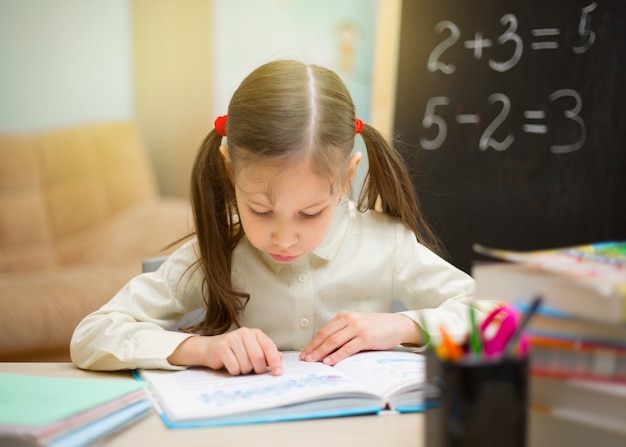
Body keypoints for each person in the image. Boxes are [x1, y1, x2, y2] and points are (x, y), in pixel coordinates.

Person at [70, 60, 494, 376]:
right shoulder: (217, 253)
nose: (284, 237)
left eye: (309, 213)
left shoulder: (385, 244)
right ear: (229, 169)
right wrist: (202, 350)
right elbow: (91, 336)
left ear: (346, 177)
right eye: (260, 210)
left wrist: (401, 326)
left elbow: (502, 322)